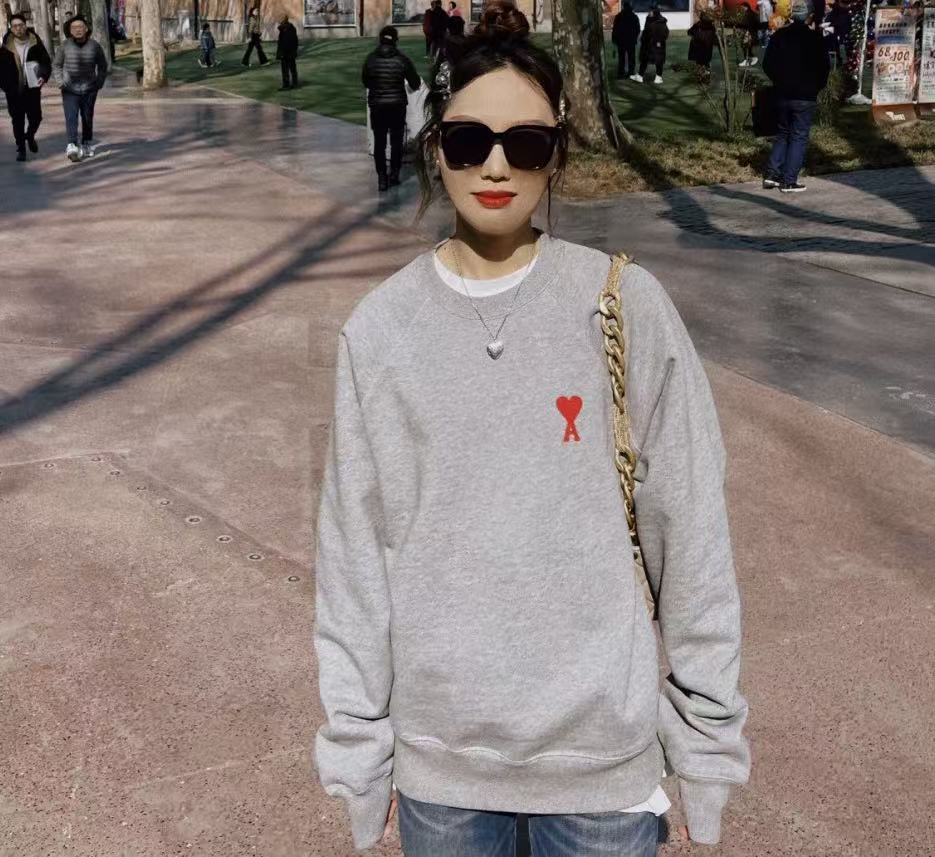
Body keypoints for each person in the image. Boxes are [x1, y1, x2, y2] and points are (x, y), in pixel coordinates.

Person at [315, 2, 751, 855]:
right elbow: (354, 557)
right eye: (467, 140)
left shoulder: (623, 303)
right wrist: (359, 754)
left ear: (556, 154)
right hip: (442, 765)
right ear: (434, 146)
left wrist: (705, 746)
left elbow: (692, 527)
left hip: (602, 768)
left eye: (526, 144)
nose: (495, 165)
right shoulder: (381, 329)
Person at [762, 0, 830, 192]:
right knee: (798, 136)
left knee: (783, 133)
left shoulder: (779, 36)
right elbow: (824, 68)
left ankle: (772, 175)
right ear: (809, 16)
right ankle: (788, 180)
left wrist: (779, 81)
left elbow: (767, 64)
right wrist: (816, 86)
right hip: (805, 95)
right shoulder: (815, 39)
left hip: (783, 93)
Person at [361, 26, 421, 192]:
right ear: (395, 41)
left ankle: (382, 178)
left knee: (379, 143)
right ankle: (394, 174)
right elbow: (415, 83)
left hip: (377, 106)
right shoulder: (402, 59)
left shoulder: (371, 59)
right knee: (396, 142)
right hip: (397, 105)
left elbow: (366, 81)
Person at [52, 14, 108, 163]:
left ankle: (86, 143)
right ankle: (72, 144)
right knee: (71, 117)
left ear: (86, 29)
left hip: (89, 88)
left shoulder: (94, 46)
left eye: (80, 27)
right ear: (70, 31)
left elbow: (102, 66)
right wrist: (60, 82)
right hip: (69, 89)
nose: (77, 30)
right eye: (74, 27)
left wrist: (99, 82)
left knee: (87, 116)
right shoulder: (64, 46)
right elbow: (56, 65)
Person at [1, 13, 52, 162]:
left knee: (36, 117)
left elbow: (45, 62)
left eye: (20, 25)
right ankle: (21, 148)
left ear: (25, 25)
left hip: (32, 88)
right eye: (15, 26)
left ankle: (29, 136)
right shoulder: (6, 46)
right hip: (14, 90)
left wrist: (43, 76)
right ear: (11, 28)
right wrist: (5, 86)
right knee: (17, 120)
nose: (18, 28)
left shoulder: (35, 42)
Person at [634, 5, 669, 84]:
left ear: (655, 12)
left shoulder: (660, 22)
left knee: (658, 61)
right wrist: (643, 39)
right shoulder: (649, 20)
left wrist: (657, 41)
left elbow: (665, 33)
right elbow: (646, 32)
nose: (649, 12)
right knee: (645, 60)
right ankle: (640, 76)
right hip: (647, 45)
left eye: (650, 11)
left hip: (656, 45)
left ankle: (658, 77)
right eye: (649, 11)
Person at [612, 1, 641, 80]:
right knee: (631, 58)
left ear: (623, 7)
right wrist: (634, 37)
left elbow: (615, 29)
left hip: (621, 41)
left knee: (621, 58)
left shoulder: (619, 16)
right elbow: (638, 29)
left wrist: (614, 39)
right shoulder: (634, 16)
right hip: (631, 41)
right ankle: (630, 73)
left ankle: (621, 73)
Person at [276, 14, 299, 90]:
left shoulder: (287, 29)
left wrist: (282, 52)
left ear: (284, 20)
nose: (279, 21)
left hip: (287, 52)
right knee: (290, 68)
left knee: (288, 69)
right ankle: (291, 84)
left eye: (280, 19)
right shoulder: (287, 28)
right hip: (288, 52)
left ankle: (289, 84)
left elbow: (289, 41)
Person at [739, 2, 761, 66]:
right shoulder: (753, 13)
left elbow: (744, 24)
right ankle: (752, 58)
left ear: (745, 7)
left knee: (745, 47)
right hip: (752, 33)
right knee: (748, 47)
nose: (741, 9)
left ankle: (747, 60)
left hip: (749, 33)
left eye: (742, 8)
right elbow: (758, 24)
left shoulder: (748, 14)